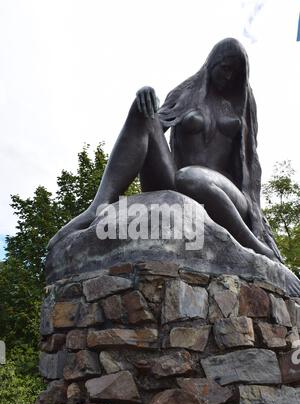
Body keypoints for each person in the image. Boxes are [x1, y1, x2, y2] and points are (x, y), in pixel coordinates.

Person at [48, 37, 281, 262]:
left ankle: (254, 245)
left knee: (190, 176)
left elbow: (250, 162)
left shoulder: (242, 103)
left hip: (228, 194)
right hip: (179, 183)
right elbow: (151, 128)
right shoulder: (185, 94)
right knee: (144, 113)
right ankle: (97, 207)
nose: (228, 76)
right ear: (212, 62)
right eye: (225, 68)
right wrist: (145, 95)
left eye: (235, 72)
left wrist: (257, 218)